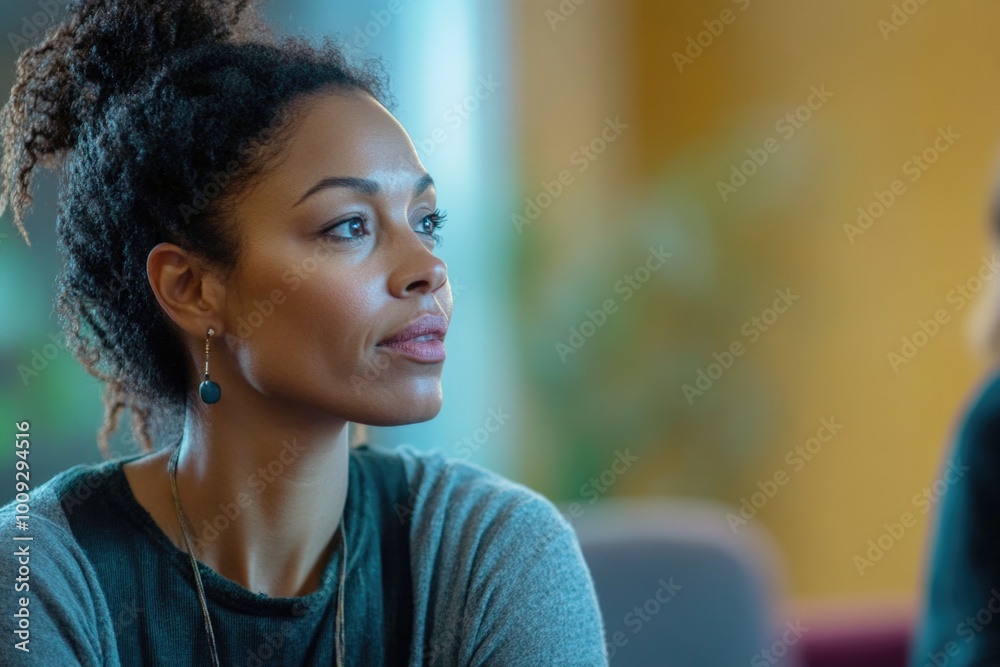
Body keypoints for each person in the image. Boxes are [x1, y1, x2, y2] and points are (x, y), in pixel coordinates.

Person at [0, 1, 609, 664]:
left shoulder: (496, 552)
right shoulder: (38, 576)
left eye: (426, 222)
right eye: (350, 226)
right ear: (192, 288)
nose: (428, 270)